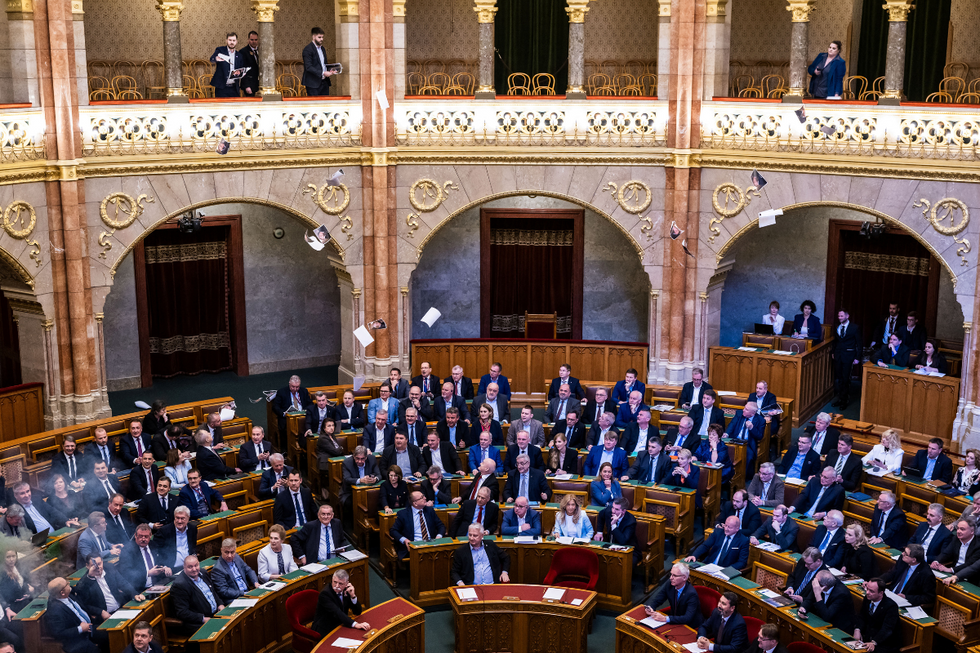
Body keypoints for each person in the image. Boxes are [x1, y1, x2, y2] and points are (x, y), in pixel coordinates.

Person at [75, 554, 143, 625]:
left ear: (102, 561)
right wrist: (100, 612)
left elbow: (123, 583)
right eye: (93, 565)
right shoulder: (84, 582)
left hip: (121, 607)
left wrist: (134, 594)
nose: (98, 567)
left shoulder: (110, 568)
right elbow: (84, 604)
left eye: (99, 564)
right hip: (105, 617)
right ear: (87, 566)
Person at [45, 577, 105, 653]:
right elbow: (59, 633)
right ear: (62, 592)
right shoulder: (54, 610)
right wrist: (81, 628)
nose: (69, 583)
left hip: (89, 627)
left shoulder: (68, 594)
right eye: (66, 584)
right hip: (77, 638)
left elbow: (80, 591)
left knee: (109, 634)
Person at [644, 563, 703, 629]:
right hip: (674, 619)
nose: (671, 578)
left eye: (674, 575)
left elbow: (687, 618)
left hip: (689, 626)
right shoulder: (670, 584)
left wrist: (665, 618)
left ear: (684, 578)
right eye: (671, 574)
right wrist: (651, 607)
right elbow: (658, 599)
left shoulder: (691, 594)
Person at [390, 491, 445, 557]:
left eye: (423, 496)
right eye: (422, 497)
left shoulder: (430, 511)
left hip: (431, 544)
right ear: (415, 503)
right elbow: (393, 531)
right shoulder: (403, 514)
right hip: (414, 546)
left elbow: (441, 526)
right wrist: (405, 540)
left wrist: (438, 537)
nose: (425, 498)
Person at [853, 578, 900, 653]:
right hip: (867, 639)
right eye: (867, 589)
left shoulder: (891, 606)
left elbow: (887, 629)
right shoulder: (867, 599)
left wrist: (874, 642)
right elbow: (862, 617)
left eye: (871, 591)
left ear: (881, 593)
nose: (867, 592)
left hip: (884, 644)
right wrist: (857, 629)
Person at [211, 538, 260, 603]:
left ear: (235, 550)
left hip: (247, 592)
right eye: (226, 552)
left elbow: (249, 571)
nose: (229, 555)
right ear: (221, 550)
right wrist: (243, 593)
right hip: (234, 599)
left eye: (232, 552)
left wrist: (255, 582)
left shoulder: (237, 557)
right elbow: (224, 591)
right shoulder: (217, 569)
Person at [724, 402, 764, 476]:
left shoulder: (760, 420)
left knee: (748, 457)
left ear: (752, 413)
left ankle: (741, 477)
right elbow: (732, 424)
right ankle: (726, 475)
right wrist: (727, 433)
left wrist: (752, 428)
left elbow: (760, 436)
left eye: (746, 409)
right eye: (744, 407)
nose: (743, 410)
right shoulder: (739, 413)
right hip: (734, 440)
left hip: (747, 444)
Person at [832, 309, 861, 409]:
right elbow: (835, 341)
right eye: (839, 316)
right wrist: (833, 352)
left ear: (847, 316)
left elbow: (859, 343)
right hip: (838, 355)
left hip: (849, 356)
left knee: (845, 379)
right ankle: (840, 399)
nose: (839, 318)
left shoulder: (854, 327)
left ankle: (845, 400)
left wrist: (857, 357)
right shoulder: (837, 327)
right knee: (839, 378)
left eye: (841, 316)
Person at [340, 446, 380, 515]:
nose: (360, 461)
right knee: (350, 505)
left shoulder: (372, 459)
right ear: (353, 456)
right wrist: (360, 480)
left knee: (377, 502)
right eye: (357, 458)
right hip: (350, 493)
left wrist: (375, 479)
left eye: (362, 459)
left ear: (366, 457)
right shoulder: (347, 463)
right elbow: (347, 479)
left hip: (368, 492)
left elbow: (379, 475)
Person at [301, 27, 338, 97]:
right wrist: (323, 73)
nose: (322, 39)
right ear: (313, 37)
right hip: (313, 83)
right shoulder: (308, 49)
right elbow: (308, 67)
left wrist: (330, 70)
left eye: (322, 37)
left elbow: (323, 64)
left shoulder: (322, 48)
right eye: (319, 37)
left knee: (325, 104)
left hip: (324, 82)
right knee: (314, 105)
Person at [209, 32, 243, 97]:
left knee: (234, 106)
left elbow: (241, 68)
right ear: (226, 40)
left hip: (234, 87)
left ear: (236, 42)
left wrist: (241, 73)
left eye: (233, 40)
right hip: (222, 87)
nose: (231, 42)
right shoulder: (220, 50)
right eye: (230, 40)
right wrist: (216, 58)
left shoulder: (239, 55)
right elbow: (212, 59)